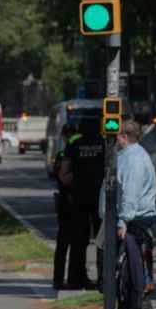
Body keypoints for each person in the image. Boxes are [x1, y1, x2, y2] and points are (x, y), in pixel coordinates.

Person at [102, 119, 156, 309]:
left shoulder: (134, 160)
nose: (113, 140)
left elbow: (131, 193)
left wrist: (123, 220)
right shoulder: (130, 156)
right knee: (123, 266)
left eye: (116, 136)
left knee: (131, 267)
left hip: (133, 219)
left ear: (123, 137)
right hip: (129, 217)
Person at [53, 119, 103, 290]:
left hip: (78, 199)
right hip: (100, 199)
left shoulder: (74, 146)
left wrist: (76, 186)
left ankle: (76, 279)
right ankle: (103, 278)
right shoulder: (105, 145)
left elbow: (64, 174)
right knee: (102, 240)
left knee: (78, 241)